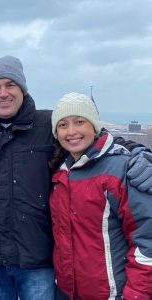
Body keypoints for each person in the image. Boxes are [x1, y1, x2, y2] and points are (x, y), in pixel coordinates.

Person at [0, 55, 152, 300]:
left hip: (39, 260)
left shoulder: (46, 124)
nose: (3, 93)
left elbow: (92, 138)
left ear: (23, 89)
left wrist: (138, 153)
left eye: (10, 85)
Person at [49, 92, 152, 299]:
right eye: (63, 125)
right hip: (67, 292)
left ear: (94, 126)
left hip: (112, 293)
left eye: (80, 122)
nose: (71, 132)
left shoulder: (121, 169)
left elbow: (146, 241)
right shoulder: (60, 172)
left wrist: (137, 294)